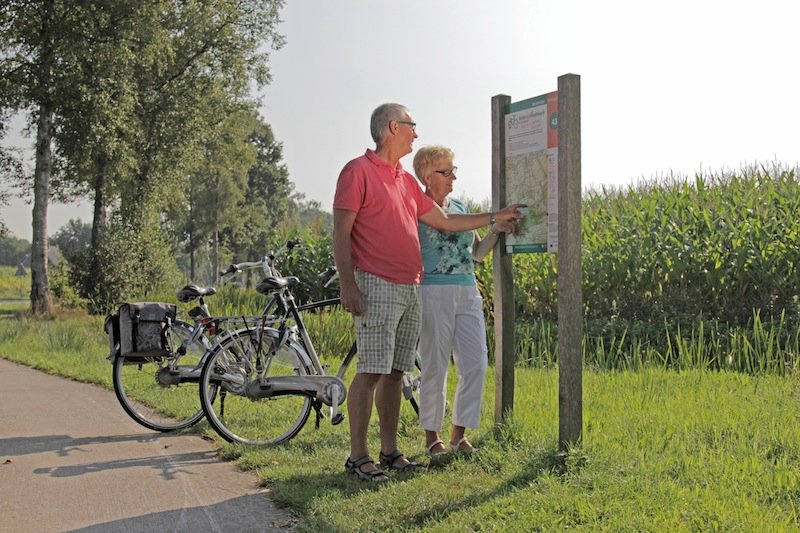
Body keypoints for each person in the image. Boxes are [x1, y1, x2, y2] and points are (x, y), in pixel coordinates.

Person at [332, 103, 524, 482]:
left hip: (410, 286)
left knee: (394, 372)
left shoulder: (403, 180)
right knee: (371, 371)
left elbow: (447, 220)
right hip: (375, 282)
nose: (416, 133)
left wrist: (495, 217)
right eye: (411, 126)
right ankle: (358, 457)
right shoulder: (358, 171)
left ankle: (390, 452)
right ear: (392, 127)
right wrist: (347, 283)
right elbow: (341, 232)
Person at [413, 145, 513, 460]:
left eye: (454, 169)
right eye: (447, 170)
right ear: (428, 176)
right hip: (432, 291)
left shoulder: (460, 204)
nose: (454, 175)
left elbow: (476, 255)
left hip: (467, 290)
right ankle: (433, 438)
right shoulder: (417, 206)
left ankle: (459, 435)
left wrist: (496, 231)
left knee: (476, 363)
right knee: (435, 365)